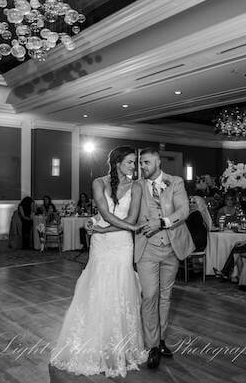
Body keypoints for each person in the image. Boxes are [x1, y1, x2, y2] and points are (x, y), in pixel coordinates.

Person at [50, 146, 148, 377]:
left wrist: (103, 231)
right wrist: (116, 228)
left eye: (136, 162)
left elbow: (132, 218)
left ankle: (122, 347)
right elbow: (104, 214)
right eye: (131, 162)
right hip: (103, 247)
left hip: (122, 243)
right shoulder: (99, 183)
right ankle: (95, 344)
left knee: (122, 289)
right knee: (98, 288)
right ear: (117, 163)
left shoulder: (136, 186)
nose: (135, 167)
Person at [134, 147, 194, 369]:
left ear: (158, 163)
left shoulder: (175, 182)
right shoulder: (138, 185)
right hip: (146, 249)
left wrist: (161, 222)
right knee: (150, 295)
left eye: (146, 162)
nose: (142, 167)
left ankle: (160, 341)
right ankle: (151, 346)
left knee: (165, 296)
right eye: (141, 163)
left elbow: (184, 210)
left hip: (171, 247)